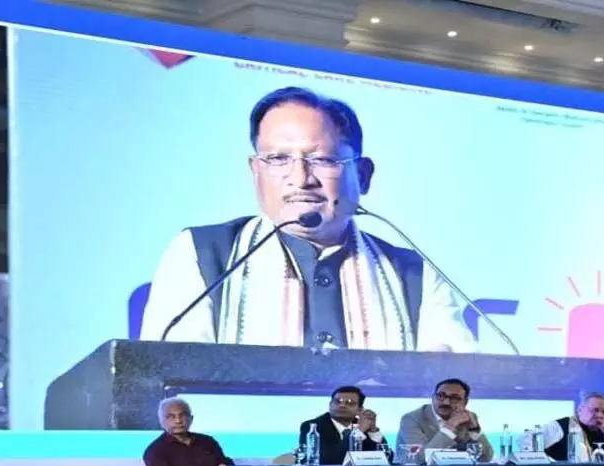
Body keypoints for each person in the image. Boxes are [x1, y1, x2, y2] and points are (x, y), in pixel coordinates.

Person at [139, 86, 475, 352]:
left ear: (363, 174)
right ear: (255, 172)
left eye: (322, 160)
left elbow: (454, 387)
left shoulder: (415, 273)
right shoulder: (203, 252)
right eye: (278, 159)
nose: (300, 179)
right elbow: (171, 378)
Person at [396, 378, 494, 463]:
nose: (446, 402)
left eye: (454, 398)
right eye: (441, 396)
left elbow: (486, 457)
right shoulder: (411, 419)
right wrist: (450, 426)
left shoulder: (467, 417)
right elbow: (421, 458)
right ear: (433, 397)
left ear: (465, 402)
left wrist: (474, 430)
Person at [298, 385, 391, 465]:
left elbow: (387, 459)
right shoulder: (312, 427)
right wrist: (358, 432)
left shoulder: (362, 425)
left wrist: (373, 430)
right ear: (330, 405)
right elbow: (327, 459)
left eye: (349, 403)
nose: (342, 405)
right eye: (337, 402)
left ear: (360, 410)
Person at [541, 391, 604, 462]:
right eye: (595, 410)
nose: (600, 415)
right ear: (580, 410)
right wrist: (554, 465)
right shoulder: (561, 426)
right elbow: (533, 448)